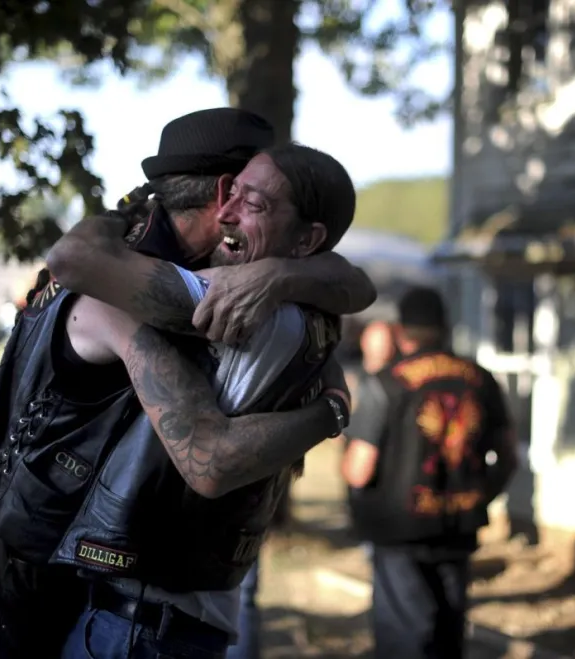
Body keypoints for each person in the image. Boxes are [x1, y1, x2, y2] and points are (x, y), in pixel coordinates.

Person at [0, 109, 373, 659]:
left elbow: (351, 284)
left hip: (59, 555)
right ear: (226, 190)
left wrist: (285, 272)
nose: (244, 213)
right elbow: (212, 455)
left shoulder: (142, 250)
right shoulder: (131, 279)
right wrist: (333, 407)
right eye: (250, 193)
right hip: (17, 563)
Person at [48, 140, 362, 659]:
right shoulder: (313, 317)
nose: (226, 215)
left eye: (254, 205)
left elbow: (71, 261)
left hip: (142, 627)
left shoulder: (230, 302)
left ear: (309, 239)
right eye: (230, 194)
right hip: (188, 616)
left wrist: (119, 216)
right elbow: (353, 283)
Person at [341, 286, 517, 658]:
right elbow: (508, 456)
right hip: (458, 525)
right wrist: (477, 495)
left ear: (401, 331)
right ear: (444, 327)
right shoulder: (480, 379)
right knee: (447, 636)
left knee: (405, 642)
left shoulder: (386, 382)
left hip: (398, 530)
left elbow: (359, 470)